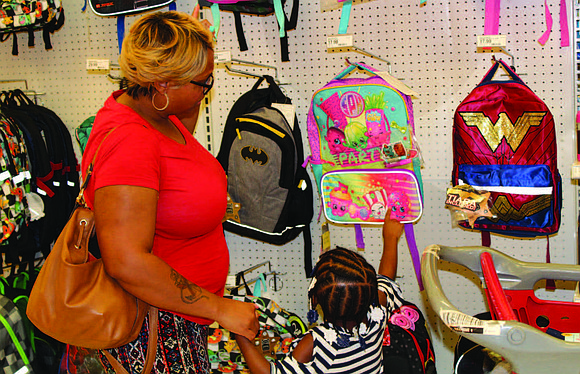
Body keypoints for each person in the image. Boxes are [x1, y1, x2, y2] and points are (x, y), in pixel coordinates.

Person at [79, 8, 260, 373]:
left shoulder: (153, 114)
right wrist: (219, 308)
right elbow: (126, 261)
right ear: (163, 84)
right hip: (153, 334)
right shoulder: (129, 143)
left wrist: (195, 45)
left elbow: (179, 144)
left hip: (177, 322)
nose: (206, 91)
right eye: (202, 82)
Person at [235, 217, 407, 374]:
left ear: (315, 299)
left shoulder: (317, 343)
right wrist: (391, 238)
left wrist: (240, 334)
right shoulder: (377, 315)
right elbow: (386, 279)